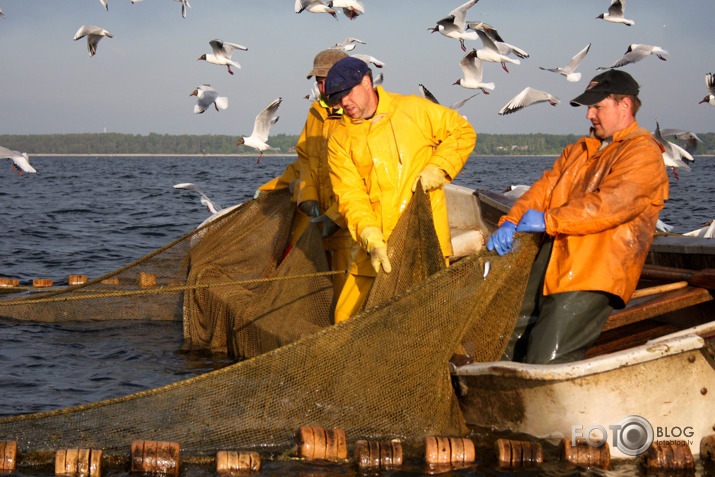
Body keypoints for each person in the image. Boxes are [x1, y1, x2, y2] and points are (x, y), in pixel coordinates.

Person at [487, 69, 668, 364]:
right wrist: (509, 221)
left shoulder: (643, 152)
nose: (589, 115)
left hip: (594, 269)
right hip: (552, 255)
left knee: (546, 360)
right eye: (589, 107)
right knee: (502, 337)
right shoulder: (579, 150)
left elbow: (611, 205)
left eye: (597, 106)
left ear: (624, 106)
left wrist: (548, 221)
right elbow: (542, 191)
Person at [324, 56, 477, 323]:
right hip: (372, 251)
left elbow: (462, 132)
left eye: (347, 93)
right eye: (336, 98)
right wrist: (369, 236)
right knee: (344, 321)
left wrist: (438, 168)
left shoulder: (414, 109)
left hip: (424, 244)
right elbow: (350, 195)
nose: (344, 103)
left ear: (366, 82)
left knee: (431, 321)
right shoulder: (338, 139)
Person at [294, 49, 354, 298]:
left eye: (326, 79)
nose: (321, 86)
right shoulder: (315, 113)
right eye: (318, 81)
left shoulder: (356, 115)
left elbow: (364, 178)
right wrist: (306, 196)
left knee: (347, 297)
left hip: (351, 229)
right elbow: (305, 158)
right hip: (319, 226)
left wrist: (336, 218)